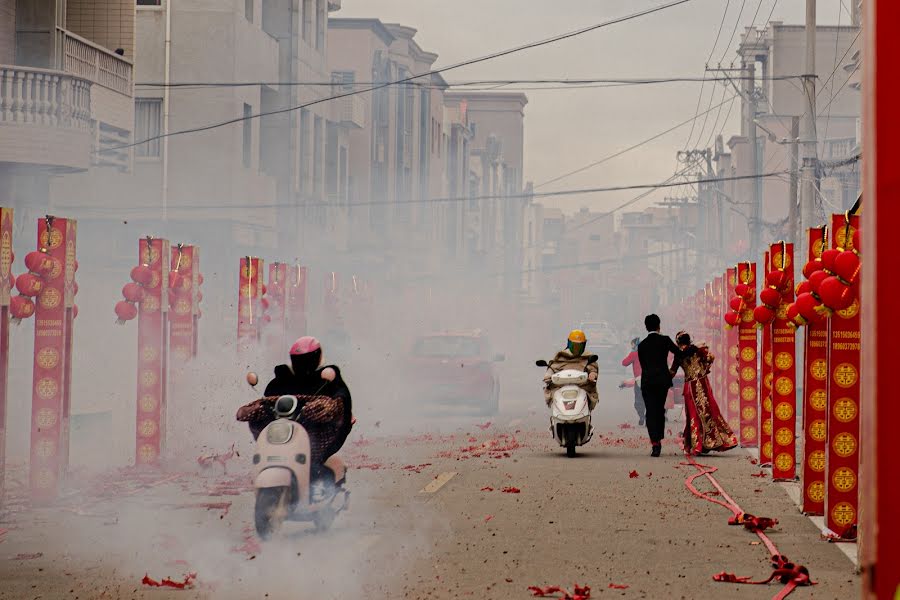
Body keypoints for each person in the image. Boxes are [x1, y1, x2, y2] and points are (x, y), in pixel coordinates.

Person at [236, 336, 353, 480]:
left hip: (315, 439)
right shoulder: (280, 381)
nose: (303, 363)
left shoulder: (328, 381)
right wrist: (257, 410)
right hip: (282, 437)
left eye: (307, 358)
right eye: (300, 359)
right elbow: (267, 401)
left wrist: (328, 408)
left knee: (318, 468)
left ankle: (319, 487)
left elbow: (342, 400)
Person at [671, 331, 737, 455]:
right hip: (702, 384)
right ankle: (714, 441)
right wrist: (705, 367)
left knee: (693, 415)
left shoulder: (678, 355)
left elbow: (672, 372)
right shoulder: (697, 350)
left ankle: (697, 446)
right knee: (710, 412)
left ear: (678, 343)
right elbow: (710, 359)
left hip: (689, 386)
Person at [636, 314, 680, 457]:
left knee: (650, 410)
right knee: (660, 410)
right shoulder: (665, 340)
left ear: (646, 327)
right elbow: (678, 353)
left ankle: (655, 442)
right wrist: (672, 370)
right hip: (662, 381)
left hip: (648, 382)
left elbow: (643, 364)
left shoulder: (641, 345)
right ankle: (659, 438)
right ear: (659, 326)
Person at [544, 329, 599, 410]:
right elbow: (553, 367)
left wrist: (593, 374)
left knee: (589, 395)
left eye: (579, 346)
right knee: (554, 394)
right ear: (569, 344)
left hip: (582, 387)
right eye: (574, 346)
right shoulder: (561, 356)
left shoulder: (588, 358)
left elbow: (593, 368)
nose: (576, 349)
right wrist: (548, 375)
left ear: (583, 345)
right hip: (561, 387)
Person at [620, 337, 644, 425]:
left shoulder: (634, 354)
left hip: (639, 380)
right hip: (650, 379)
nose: (632, 346)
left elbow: (624, 363)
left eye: (632, 345)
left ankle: (642, 416)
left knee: (639, 400)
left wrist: (632, 353)